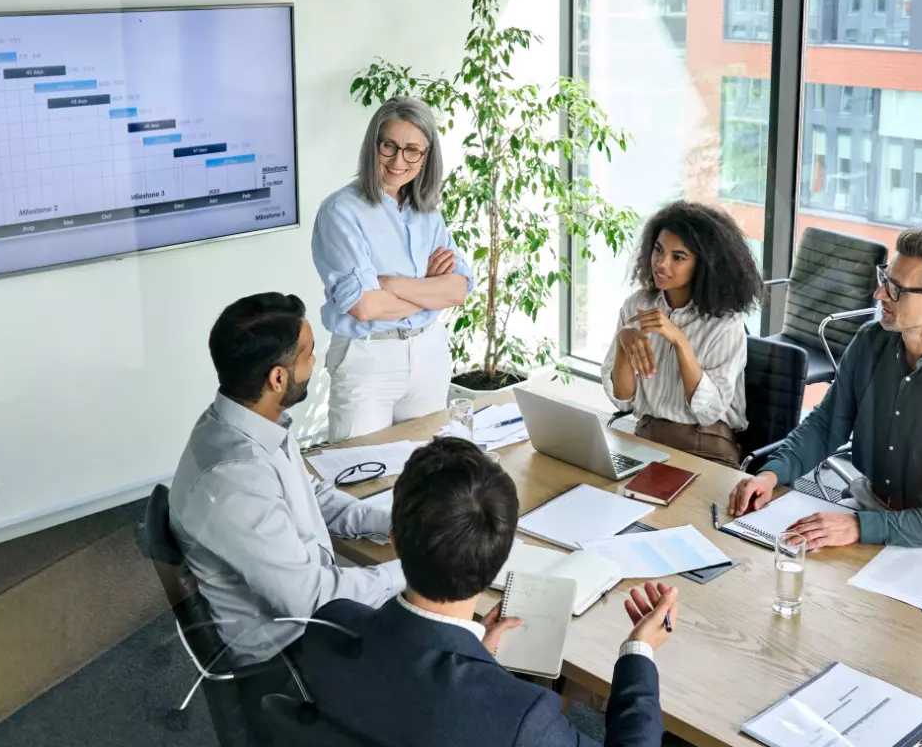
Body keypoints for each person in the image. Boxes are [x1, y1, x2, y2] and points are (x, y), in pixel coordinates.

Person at [298, 437, 676, 747]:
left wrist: (478, 656)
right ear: (501, 557)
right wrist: (639, 653)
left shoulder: (328, 627)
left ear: (394, 541)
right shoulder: (522, 718)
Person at [169, 293, 405, 742]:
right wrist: (413, 571)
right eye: (309, 354)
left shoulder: (247, 421)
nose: (316, 361)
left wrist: (386, 521)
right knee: (441, 650)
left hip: (302, 616)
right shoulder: (233, 480)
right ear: (278, 378)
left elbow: (311, 496)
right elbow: (312, 601)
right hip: (287, 661)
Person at [727, 228, 922, 553]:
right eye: (884, 279)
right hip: (869, 506)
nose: (879, 294)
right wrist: (770, 476)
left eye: (896, 289)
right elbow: (825, 426)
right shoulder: (869, 341)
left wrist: (860, 527)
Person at [312, 96, 472, 443]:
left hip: (429, 354)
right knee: (361, 476)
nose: (399, 160)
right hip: (368, 358)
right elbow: (364, 306)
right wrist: (430, 290)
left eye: (412, 150)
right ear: (374, 146)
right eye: (390, 146)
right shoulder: (341, 211)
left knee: (428, 477)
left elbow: (458, 290)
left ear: (426, 156)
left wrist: (391, 284)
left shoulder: (428, 211)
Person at [601, 200, 763, 468]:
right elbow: (623, 399)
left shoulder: (725, 324)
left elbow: (709, 412)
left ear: (705, 265)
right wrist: (622, 344)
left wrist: (679, 340)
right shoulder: (635, 306)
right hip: (647, 436)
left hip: (706, 446)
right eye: (658, 250)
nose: (662, 264)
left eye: (678, 257)